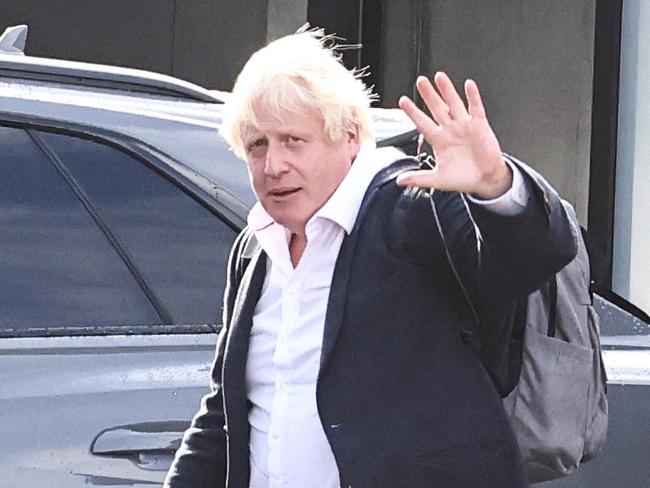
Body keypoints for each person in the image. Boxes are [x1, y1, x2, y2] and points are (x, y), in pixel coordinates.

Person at [164, 29, 576, 488]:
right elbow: (226, 413)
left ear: (351, 137)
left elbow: (537, 254)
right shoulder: (257, 244)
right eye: (257, 144)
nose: (273, 166)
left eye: (293, 140)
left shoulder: (413, 208)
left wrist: (496, 185)